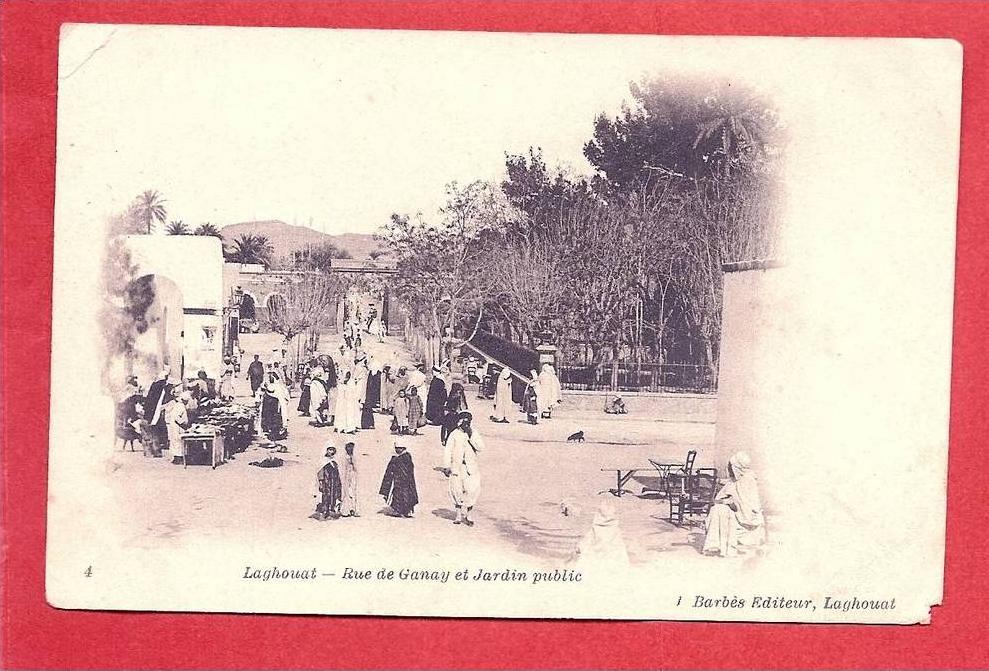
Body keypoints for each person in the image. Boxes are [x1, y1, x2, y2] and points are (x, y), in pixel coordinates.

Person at [703, 452, 766, 557]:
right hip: (738, 512)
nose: (729, 468)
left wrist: (726, 502)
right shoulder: (737, 479)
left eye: (730, 466)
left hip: (745, 518)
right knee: (717, 509)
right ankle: (715, 545)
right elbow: (728, 491)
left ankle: (724, 547)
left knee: (720, 511)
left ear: (736, 467)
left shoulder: (747, 480)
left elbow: (744, 506)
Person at [444, 412, 484, 526]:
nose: (465, 424)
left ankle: (468, 515)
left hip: (470, 467)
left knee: (472, 490)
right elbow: (448, 450)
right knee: (456, 490)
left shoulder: (473, 433)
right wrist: (447, 466)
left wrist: (470, 435)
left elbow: (480, 447)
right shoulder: (454, 434)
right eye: (463, 421)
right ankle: (458, 515)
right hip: (457, 467)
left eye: (468, 421)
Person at [574, 500, 630, 569]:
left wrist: (580, 547)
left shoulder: (596, 528)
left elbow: (587, 540)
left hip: (596, 559)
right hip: (611, 560)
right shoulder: (615, 529)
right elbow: (619, 546)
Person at [379, 444, 418, 517]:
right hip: (397, 481)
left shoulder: (406, 457)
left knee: (406, 496)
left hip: (406, 482)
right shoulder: (396, 458)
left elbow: (408, 470)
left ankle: (405, 511)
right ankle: (398, 510)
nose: (397, 450)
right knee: (397, 495)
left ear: (403, 448)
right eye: (396, 448)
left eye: (399, 448)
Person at [143, 367, 172, 455]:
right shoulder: (161, 386)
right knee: (155, 431)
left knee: (152, 431)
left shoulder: (154, 385)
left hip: (150, 412)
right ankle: (156, 451)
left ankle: (151, 451)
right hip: (155, 411)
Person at [312, 446, 343, 521]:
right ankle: (325, 510)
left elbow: (338, 471)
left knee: (333, 495)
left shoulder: (335, 461)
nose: (331, 452)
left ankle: (331, 510)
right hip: (326, 481)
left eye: (332, 450)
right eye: (329, 450)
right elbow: (320, 471)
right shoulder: (323, 460)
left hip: (334, 481)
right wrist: (321, 481)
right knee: (326, 495)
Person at [164, 388, 190, 463]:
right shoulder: (180, 406)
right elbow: (176, 417)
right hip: (177, 427)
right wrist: (184, 423)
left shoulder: (178, 405)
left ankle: (177, 458)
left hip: (175, 426)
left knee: (175, 442)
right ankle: (178, 458)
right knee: (178, 442)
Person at [340, 442, 359, 517]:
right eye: (348, 447)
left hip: (353, 475)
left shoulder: (354, 457)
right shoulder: (344, 457)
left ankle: (353, 509)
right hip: (346, 476)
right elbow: (342, 468)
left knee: (353, 492)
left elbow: (356, 468)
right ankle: (345, 510)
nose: (350, 449)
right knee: (346, 492)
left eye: (351, 447)